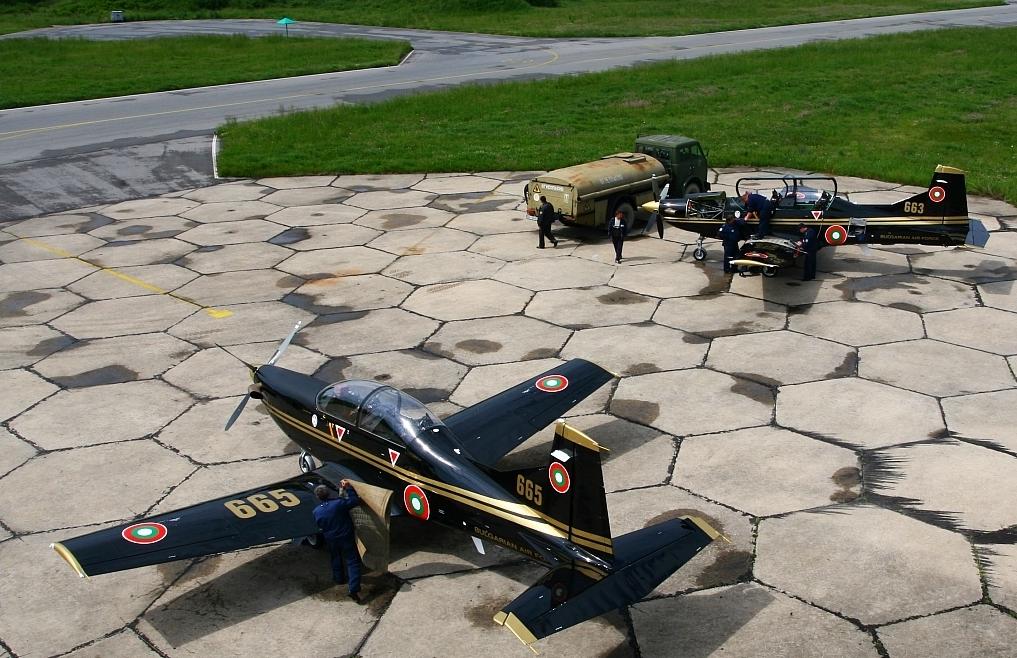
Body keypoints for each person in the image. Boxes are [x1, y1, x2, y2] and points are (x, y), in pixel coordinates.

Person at [313, 480, 363, 603]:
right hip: (346, 537)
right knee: (352, 561)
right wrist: (349, 488)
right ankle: (354, 588)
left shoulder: (316, 511)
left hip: (331, 538)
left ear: (318, 497)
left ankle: (339, 579)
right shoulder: (339, 503)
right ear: (329, 493)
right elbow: (355, 501)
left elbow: (320, 525)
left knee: (335, 557)